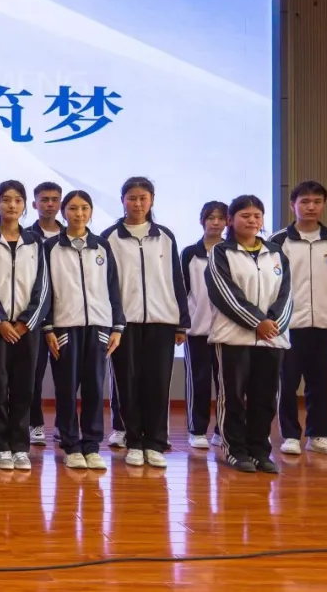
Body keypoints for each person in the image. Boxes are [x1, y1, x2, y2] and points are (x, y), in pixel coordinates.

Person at [101, 177, 189, 469]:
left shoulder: (165, 236)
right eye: (132, 198)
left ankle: (155, 442)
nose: (137, 204)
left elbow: (176, 278)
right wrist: (112, 321)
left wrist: (181, 322)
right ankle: (134, 441)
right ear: (122, 200)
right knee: (127, 383)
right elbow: (105, 283)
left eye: (143, 198)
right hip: (124, 324)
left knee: (158, 383)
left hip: (162, 321)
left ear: (151, 200)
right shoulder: (109, 237)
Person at [205, 194, 291, 474]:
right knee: (232, 397)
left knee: (264, 399)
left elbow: (287, 294)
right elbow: (225, 293)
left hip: (271, 339)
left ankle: (259, 451)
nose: (252, 221)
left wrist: (273, 324)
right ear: (231, 220)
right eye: (245, 216)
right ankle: (234, 450)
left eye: (257, 216)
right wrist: (257, 322)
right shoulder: (220, 252)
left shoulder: (276, 253)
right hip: (233, 337)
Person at [43, 190, 123, 471]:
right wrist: (48, 327)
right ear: (63, 212)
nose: (79, 213)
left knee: (94, 388)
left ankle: (91, 445)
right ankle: (70, 445)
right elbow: (45, 289)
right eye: (73, 208)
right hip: (64, 327)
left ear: (91, 211)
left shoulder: (102, 246)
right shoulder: (50, 247)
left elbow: (113, 286)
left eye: (84, 208)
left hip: (99, 326)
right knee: (66, 389)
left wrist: (117, 326)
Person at [0, 180, 49, 471]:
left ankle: (20, 447)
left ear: (25, 205)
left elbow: (43, 285)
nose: (12, 205)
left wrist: (27, 322)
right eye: (6, 199)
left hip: (27, 328)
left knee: (24, 386)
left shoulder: (35, 242)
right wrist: (0, 321)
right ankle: (2, 447)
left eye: (18, 200)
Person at [269, 181, 327, 458]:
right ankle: (290, 435)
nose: (311, 206)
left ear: (324, 204)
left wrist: (325, 309)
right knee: (288, 381)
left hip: (324, 323)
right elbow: (273, 284)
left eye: (317, 201)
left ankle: (319, 435)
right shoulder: (279, 240)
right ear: (293, 205)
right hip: (289, 324)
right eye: (304, 201)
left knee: (320, 382)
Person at [180, 201, 227, 449]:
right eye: (211, 218)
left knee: (226, 384)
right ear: (202, 221)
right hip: (197, 329)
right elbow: (182, 290)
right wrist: (181, 324)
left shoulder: (232, 251)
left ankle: (222, 430)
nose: (215, 223)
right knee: (198, 381)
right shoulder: (190, 253)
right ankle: (197, 430)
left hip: (227, 332)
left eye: (221, 218)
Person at [27, 182, 63, 446]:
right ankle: (35, 424)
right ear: (34, 204)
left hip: (66, 315)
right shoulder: (26, 236)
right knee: (33, 374)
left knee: (66, 377)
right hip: (35, 317)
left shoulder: (74, 235)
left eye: (54, 199)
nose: (49, 204)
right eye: (44, 199)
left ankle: (63, 425)